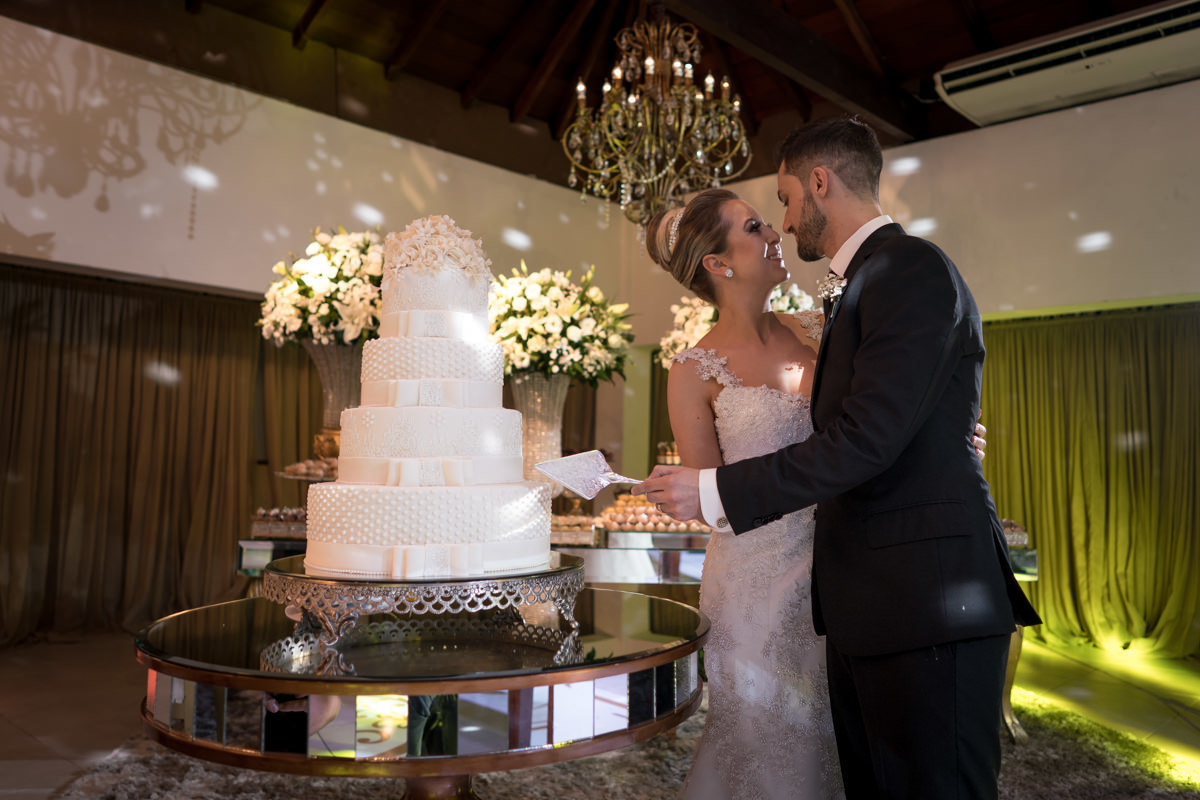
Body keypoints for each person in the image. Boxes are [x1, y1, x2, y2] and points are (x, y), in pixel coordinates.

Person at [636, 116, 1040, 800]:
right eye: (761, 224)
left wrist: (716, 491)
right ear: (716, 263)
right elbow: (878, 420)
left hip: (916, 591)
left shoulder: (902, 271)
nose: (784, 226)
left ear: (820, 182)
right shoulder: (836, 299)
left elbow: (868, 434)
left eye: (785, 204)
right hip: (837, 588)